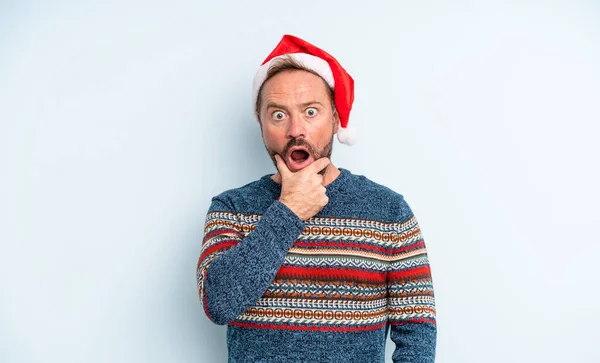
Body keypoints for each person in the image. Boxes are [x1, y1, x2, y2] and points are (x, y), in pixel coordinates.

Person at [196, 34, 436, 362]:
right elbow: (219, 304)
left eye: (311, 111)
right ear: (262, 124)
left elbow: (417, 332)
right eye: (278, 115)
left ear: (336, 118)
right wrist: (289, 210)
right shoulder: (231, 209)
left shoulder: (389, 212)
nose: (296, 129)